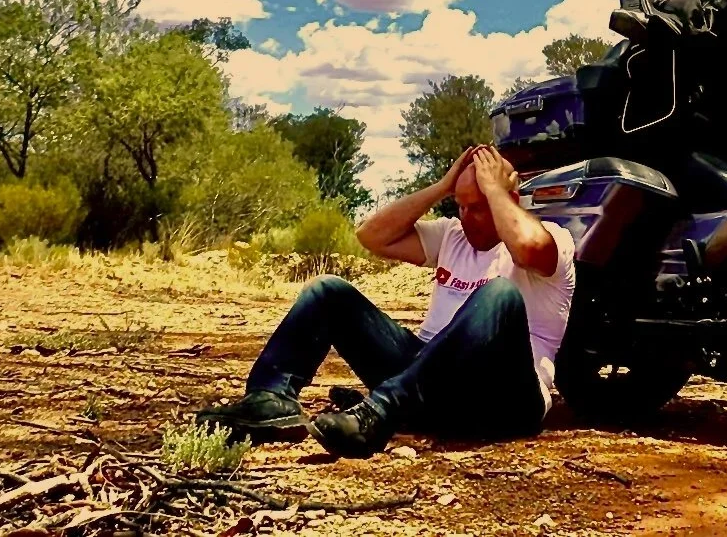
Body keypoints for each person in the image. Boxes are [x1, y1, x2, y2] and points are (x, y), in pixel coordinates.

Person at [196, 144, 576, 456]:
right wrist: (442, 187)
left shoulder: (554, 240)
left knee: (499, 295)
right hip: (427, 392)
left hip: (504, 401)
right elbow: (371, 236)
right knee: (328, 291)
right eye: (459, 205)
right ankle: (270, 400)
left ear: (508, 198)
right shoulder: (451, 237)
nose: (465, 216)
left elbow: (527, 246)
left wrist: (495, 190)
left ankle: (379, 413)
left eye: (476, 207)